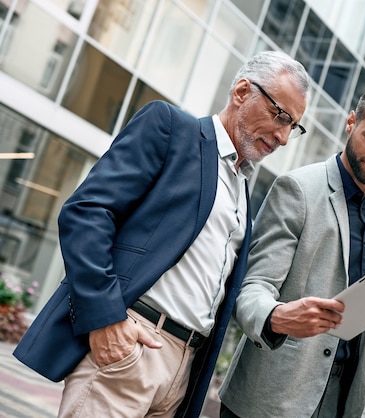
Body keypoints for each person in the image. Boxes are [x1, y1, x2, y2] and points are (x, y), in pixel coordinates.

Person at [12, 50, 310, 418]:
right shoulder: (171, 128)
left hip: (183, 372)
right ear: (242, 91)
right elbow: (86, 212)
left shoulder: (242, 189)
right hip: (131, 348)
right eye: (280, 115)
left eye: (293, 126)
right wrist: (104, 318)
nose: (283, 136)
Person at [218, 81, 365, 418]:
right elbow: (253, 287)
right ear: (351, 122)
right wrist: (276, 316)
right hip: (272, 400)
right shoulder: (297, 189)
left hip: (341, 403)